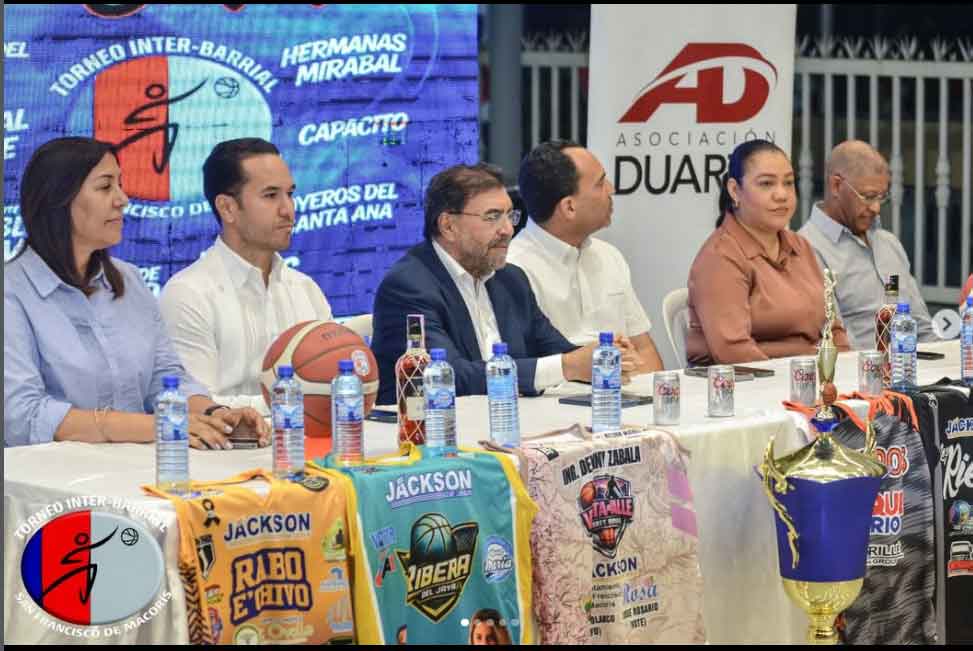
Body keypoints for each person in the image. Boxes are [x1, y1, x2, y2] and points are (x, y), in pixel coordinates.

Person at [4, 137, 269, 448]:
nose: (122, 199)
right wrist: (149, 426)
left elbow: (165, 378)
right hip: (50, 487)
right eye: (105, 187)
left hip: (136, 475)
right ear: (58, 199)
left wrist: (216, 416)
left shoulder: (129, 280)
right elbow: (21, 416)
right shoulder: (11, 292)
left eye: (120, 184)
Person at [372, 163, 637, 402]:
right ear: (448, 226)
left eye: (510, 215)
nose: (508, 229)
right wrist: (568, 365)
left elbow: (554, 350)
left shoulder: (510, 280)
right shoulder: (409, 287)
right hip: (423, 436)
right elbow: (448, 377)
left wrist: (602, 357)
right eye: (492, 216)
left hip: (504, 423)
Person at [160, 138, 333, 415]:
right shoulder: (188, 294)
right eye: (270, 195)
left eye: (290, 194)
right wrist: (298, 401)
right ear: (227, 208)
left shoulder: (306, 289)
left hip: (303, 450)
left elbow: (332, 388)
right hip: (222, 454)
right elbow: (196, 405)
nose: (288, 210)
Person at [686, 139, 851, 365]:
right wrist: (803, 380)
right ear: (735, 191)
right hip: (747, 389)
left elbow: (834, 329)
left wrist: (841, 372)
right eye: (766, 184)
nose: (781, 195)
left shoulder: (800, 246)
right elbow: (734, 353)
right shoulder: (720, 257)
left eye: (789, 183)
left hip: (813, 382)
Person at [510, 140, 664, 374]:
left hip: (625, 400)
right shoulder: (514, 269)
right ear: (569, 207)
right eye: (601, 183)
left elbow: (643, 349)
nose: (611, 189)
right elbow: (525, 371)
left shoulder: (609, 255)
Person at [798, 140, 936, 348]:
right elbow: (835, 342)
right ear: (836, 185)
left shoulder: (888, 243)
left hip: (912, 368)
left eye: (882, 197)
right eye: (868, 196)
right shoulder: (806, 248)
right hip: (860, 373)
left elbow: (922, 328)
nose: (876, 208)